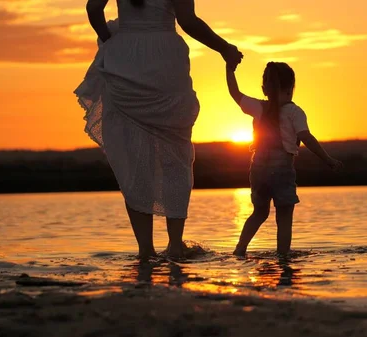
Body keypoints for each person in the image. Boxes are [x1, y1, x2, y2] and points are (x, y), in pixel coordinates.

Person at [75, 0, 243, 259]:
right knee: (175, 156)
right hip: (165, 58)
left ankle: (145, 250)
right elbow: (188, 21)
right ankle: (175, 245)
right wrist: (225, 48)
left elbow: (94, 7)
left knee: (134, 158)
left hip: (125, 56)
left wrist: (109, 39)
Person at [225, 61, 343, 256]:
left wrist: (229, 68)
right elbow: (306, 138)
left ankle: (240, 249)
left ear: (265, 89)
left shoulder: (259, 107)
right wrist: (328, 159)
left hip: (258, 168)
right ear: (290, 89)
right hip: (282, 168)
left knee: (259, 213)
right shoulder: (295, 112)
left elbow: (235, 93)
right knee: (284, 215)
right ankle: (283, 255)